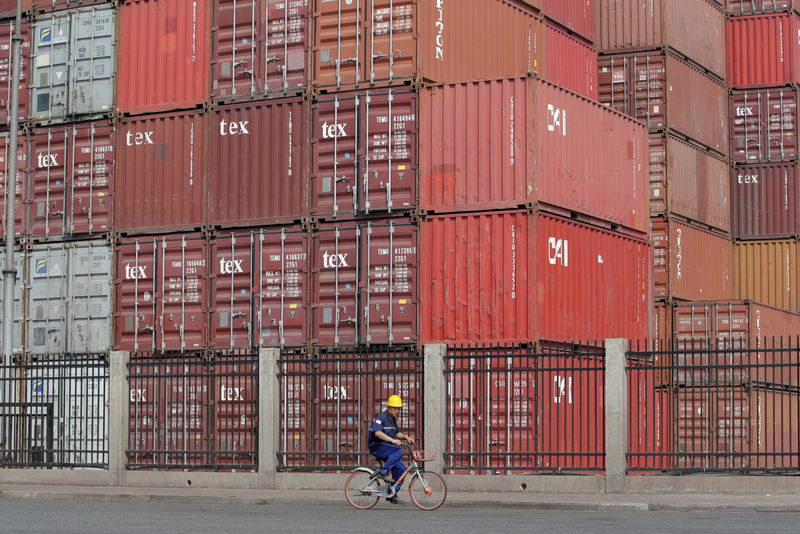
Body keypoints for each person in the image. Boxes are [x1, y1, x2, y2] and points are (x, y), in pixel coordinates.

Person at [368, 394, 415, 503]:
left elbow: (396, 433)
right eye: (395, 408)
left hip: (386, 447)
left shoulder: (393, 419)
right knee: (398, 451)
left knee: (401, 470)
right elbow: (378, 433)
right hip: (377, 446)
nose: (397, 411)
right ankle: (383, 472)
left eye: (398, 408)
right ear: (388, 407)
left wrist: (405, 437)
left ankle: (392, 494)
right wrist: (393, 441)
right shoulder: (381, 417)